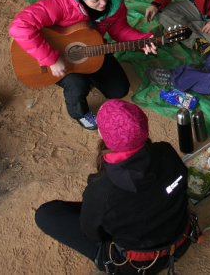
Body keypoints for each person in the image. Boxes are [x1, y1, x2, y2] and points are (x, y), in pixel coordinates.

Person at [35, 100, 195, 275]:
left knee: (46, 214)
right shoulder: (166, 151)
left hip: (141, 263)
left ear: (102, 135)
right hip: (182, 238)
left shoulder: (101, 192)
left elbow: (94, 235)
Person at [9, 0, 157, 130]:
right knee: (78, 85)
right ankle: (79, 113)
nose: (102, 3)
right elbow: (19, 26)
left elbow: (120, 29)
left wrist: (142, 40)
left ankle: (89, 72)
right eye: (95, 0)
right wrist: (50, 59)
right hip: (55, 57)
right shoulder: (60, 3)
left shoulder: (114, 0)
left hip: (93, 48)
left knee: (118, 91)